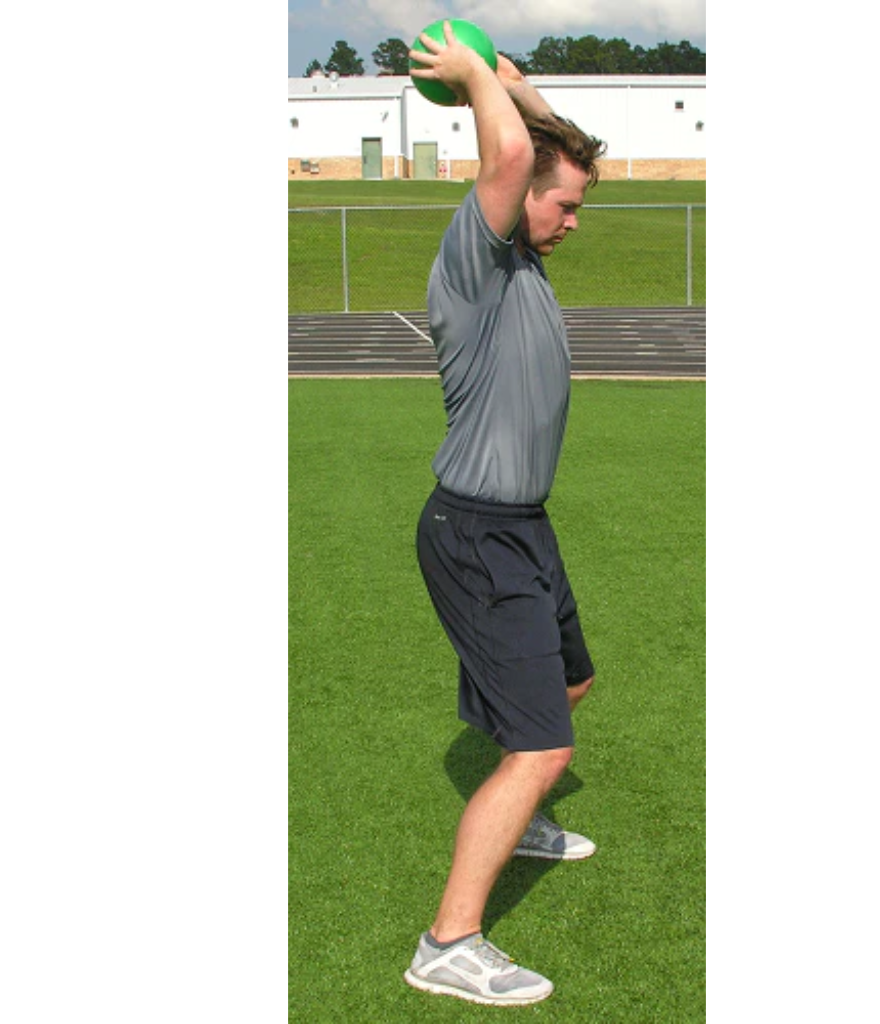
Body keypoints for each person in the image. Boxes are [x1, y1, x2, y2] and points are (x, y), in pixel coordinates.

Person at [403, 24, 608, 1009]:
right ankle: (447, 941)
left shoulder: (524, 260)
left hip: (522, 524)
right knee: (543, 748)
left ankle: (515, 809)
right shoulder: (476, 264)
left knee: (572, 682)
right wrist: (478, 77)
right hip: (476, 532)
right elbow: (514, 155)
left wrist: (513, 85)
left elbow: (539, 139)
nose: (571, 222)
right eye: (564, 208)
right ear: (517, 196)